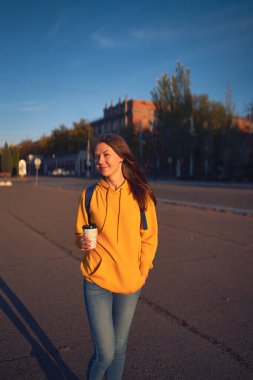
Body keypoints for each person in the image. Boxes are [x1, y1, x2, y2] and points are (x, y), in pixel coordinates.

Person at [75, 134, 158, 380]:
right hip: (96, 281)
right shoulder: (89, 194)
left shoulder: (141, 195)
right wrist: (82, 240)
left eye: (105, 155)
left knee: (120, 348)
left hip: (130, 284)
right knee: (105, 354)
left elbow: (149, 237)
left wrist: (142, 272)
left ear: (121, 156)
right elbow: (79, 232)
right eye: (96, 157)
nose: (100, 161)